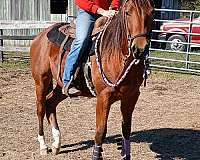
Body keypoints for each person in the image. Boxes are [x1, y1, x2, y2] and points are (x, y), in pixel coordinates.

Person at [62, 0, 120, 95]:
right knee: (82, 40)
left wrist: (113, 7)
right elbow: (81, 1)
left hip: (108, 13)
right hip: (87, 13)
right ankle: (67, 80)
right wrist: (101, 11)